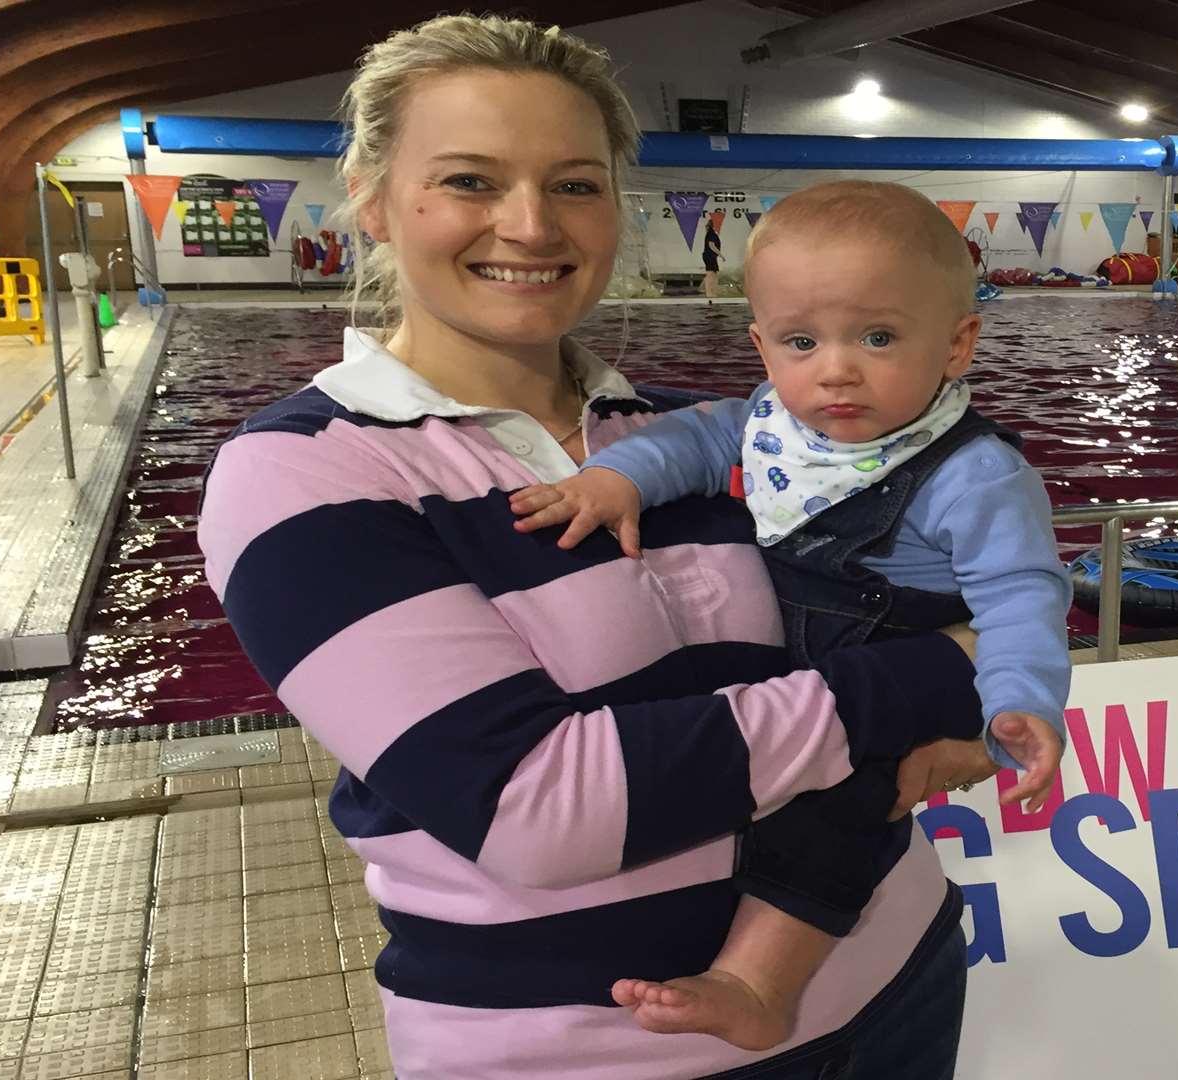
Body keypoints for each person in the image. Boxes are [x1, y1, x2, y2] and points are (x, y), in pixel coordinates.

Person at [196, 16, 996, 1079]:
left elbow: (931, 589)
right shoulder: (306, 472)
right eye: (472, 181)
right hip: (588, 1053)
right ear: (375, 198)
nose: (529, 226)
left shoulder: (710, 434)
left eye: (574, 184)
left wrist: (984, 676)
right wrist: (942, 677)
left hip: (898, 970)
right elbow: (536, 809)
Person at [509, 180, 1071, 1051]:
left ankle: (759, 980)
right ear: (761, 345)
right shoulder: (771, 422)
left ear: (957, 344)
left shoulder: (975, 474)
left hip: (907, 666)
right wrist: (616, 480)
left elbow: (1023, 595)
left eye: (878, 338)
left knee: (839, 812)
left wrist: (1019, 701)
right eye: (802, 342)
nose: (836, 369)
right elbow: (692, 440)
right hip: (810, 666)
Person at [702, 218, 723, 299]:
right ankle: (710, 293)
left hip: (710, 256)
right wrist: (721, 255)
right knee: (710, 274)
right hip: (709, 256)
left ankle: (713, 292)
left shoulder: (711, 233)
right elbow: (711, 246)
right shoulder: (711, 234)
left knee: (714, 274)